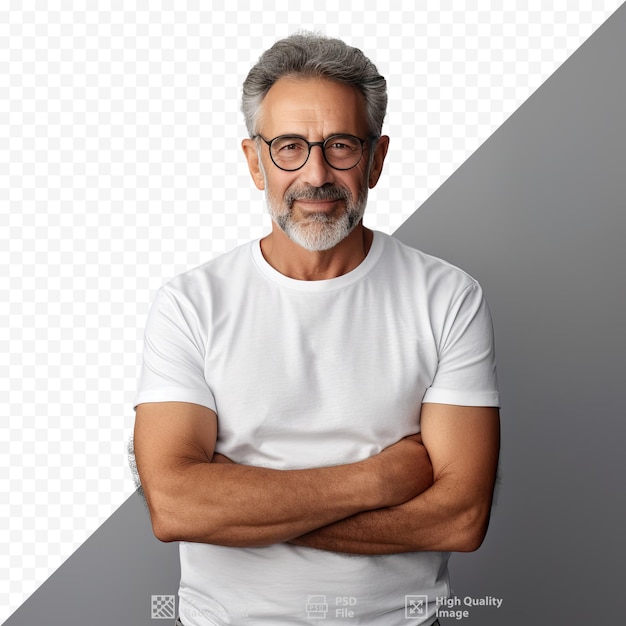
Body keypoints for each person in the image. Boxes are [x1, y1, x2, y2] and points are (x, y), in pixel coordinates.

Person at [133, 32, 500, 626]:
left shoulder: (448, 297)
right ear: (255, 162)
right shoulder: (189, 304)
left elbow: (458, 520)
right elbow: (176, 507)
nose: (316, 174)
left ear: (376, 159)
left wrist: (243, 506)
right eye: (289, 147)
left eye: (341, 146)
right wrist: (379, 478)